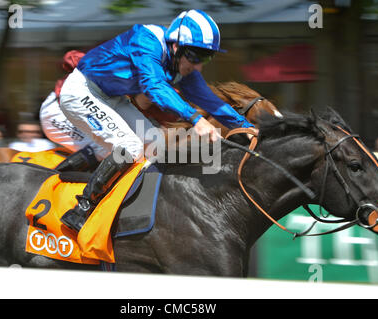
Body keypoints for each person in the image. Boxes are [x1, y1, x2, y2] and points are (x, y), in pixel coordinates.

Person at [49, 10, 256, 232]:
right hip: (82, 91)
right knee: (130, 146)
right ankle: (82, 207)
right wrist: (196, 119)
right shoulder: (146, 40)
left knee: (156, 143)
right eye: (196, 56)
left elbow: (210, 101)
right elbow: (153, 85)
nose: (198, 66)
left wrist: (246, 126)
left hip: (113, 98)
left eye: (205, 58)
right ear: (176, 46)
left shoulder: (180, 64)